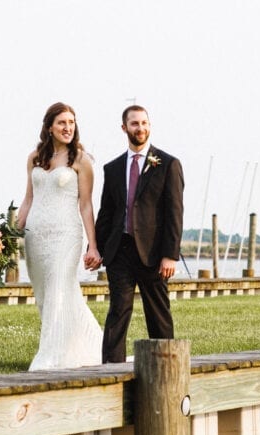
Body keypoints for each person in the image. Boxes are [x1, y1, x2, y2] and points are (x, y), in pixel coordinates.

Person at [17, 102, 103, 370]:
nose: (68, 128)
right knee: (46, 295)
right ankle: (79, 349)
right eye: (62, 123)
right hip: (35, 237)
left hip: (66, 235)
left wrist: (93, 246)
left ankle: (49, 359)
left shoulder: (80, 160)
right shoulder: (34, 158)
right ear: (49, 127)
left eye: (71, 123)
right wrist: (5, 235)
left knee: (57, 289)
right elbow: (28, 199)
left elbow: (86, 205)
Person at [95, 105, 185, 363]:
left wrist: (170, 255)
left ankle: (167, 366)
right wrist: (99, 250)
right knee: (118, 312)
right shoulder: (112, 168)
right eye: (134, 124)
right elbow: (106, 213)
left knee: (158, 312)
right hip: (120, 251)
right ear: (124, 128)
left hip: (154, 254)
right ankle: (110, 370)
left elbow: (174, 213)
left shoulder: (168, 164)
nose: (140, 128)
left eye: (144, 123)